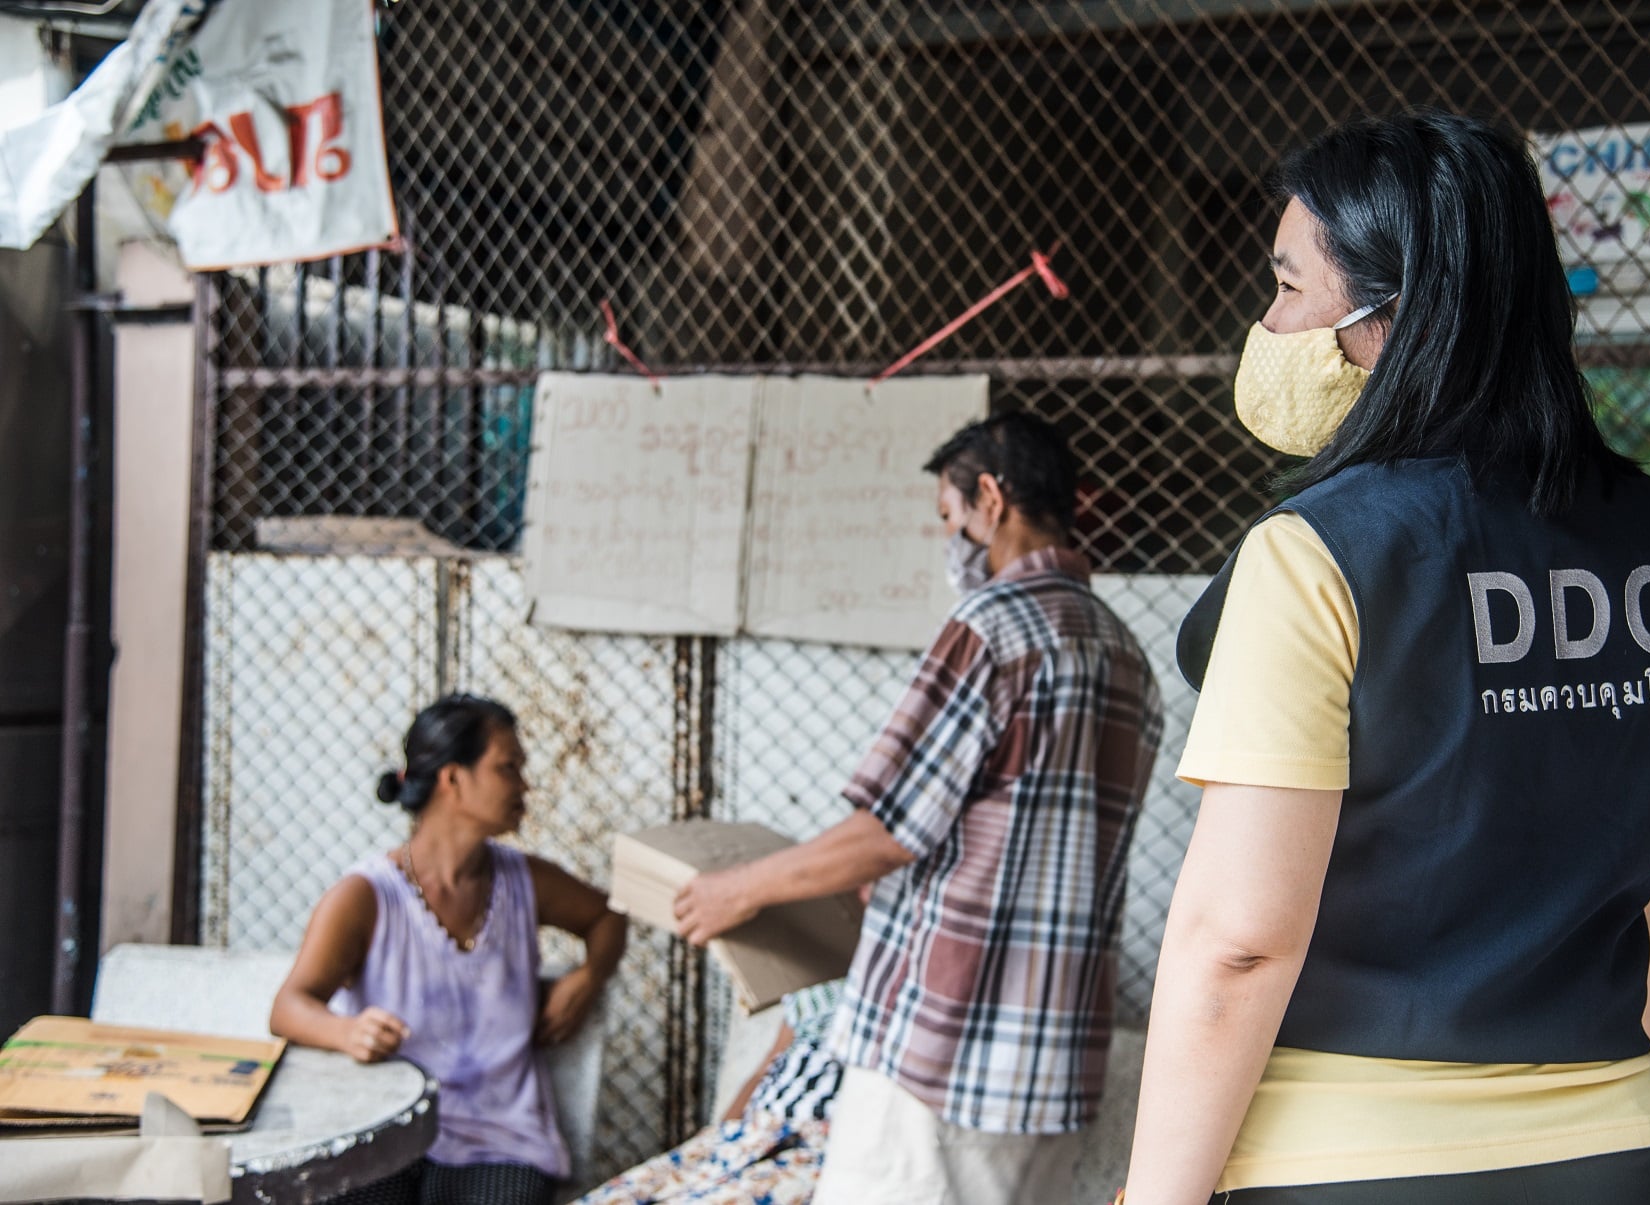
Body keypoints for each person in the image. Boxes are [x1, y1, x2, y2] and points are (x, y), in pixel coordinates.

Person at [1122, 110, 1650, 1205]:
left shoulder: (1316, 556)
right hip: (1614, 1147)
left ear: (1382, 318)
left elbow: (1238, 942)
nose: (1266, 322)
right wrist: (1565, 1081)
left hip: (1342, 1159)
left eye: (1284, 287)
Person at [671, 411, 1165, 1205]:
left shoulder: (991, 627)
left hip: (946, 1053)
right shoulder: (1125, 654)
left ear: (990, 499)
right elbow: (1006, 829)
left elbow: (887, 830)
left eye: (948, 515)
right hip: (1054, 1061)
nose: (949, 538)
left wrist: (741, 887)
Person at [270, 694, 629, 1205]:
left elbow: (609, 917)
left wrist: (588, 979)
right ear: (453, 779)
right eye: (509, 767)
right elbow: (289, 1007)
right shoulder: (367, 895)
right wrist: (347, 1031)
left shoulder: (526, 881)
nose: (525, 785)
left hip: (501, 1140)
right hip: (387, 1126)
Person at [577, 979, 845, 1205]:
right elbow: (767, 1064)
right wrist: (718, 1136)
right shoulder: (814, 981)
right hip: (752, 1132)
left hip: (823, 1142)